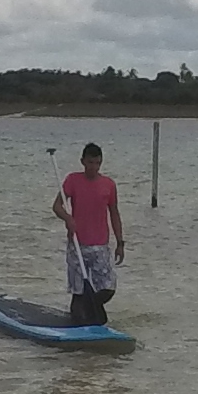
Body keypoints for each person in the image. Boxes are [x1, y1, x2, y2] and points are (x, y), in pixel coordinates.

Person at [53, 140, 126, 328]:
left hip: (100, 245)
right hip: (77, 245)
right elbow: (57, 206)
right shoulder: (72, 180)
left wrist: (120, 242)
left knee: (108, 288)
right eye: (90, 163)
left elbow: (114, 213)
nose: (94, 167)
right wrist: (68, 218)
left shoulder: (108, 184)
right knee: (78, 292)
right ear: (83, 162)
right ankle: (78, 328)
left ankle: (89, 311)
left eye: (97, 163)